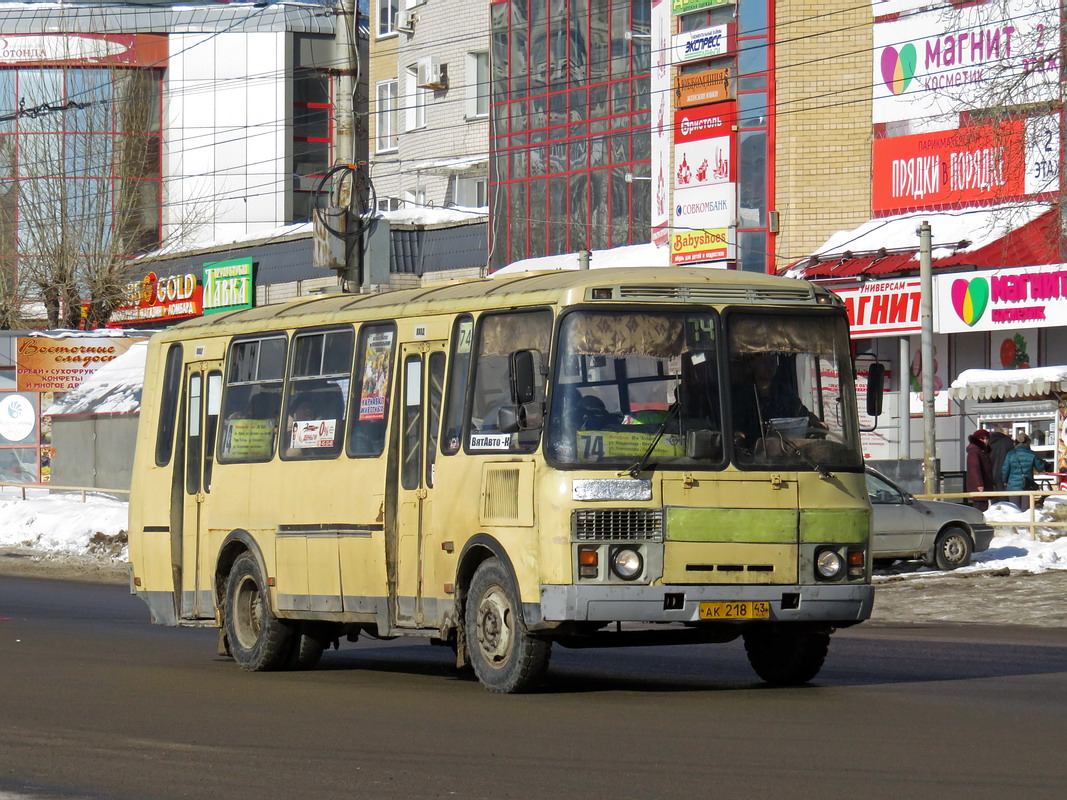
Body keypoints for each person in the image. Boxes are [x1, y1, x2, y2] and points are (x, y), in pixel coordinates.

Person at [1001, 433, 1048, 511]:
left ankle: (1016, 523)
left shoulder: (1011, 454)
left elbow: (1005, 469)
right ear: (1028, 442)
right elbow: (1040, 468)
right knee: (1026, 510)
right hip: (1027, 486)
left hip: (1013, 486)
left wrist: (1004, 480)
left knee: (1014, 510)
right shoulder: (1032, 454)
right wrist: (1044, 463)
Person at [964, 428, 993, 511]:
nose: (985, 441)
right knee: (980, 508)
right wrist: (979, 484)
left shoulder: (982, 451)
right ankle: (978, 524)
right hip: (979, 487)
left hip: (982, 486)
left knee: (983, 507)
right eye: (983, 438)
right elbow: (974, 467)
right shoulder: (975, 451)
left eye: (987, 438)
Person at [988, 427, 1013, 492]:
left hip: (991, 472)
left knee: (994, 495)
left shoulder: (989, 442)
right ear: (1003, 433)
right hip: (1005, 473)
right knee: (1004, 496)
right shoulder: (1008, 441)